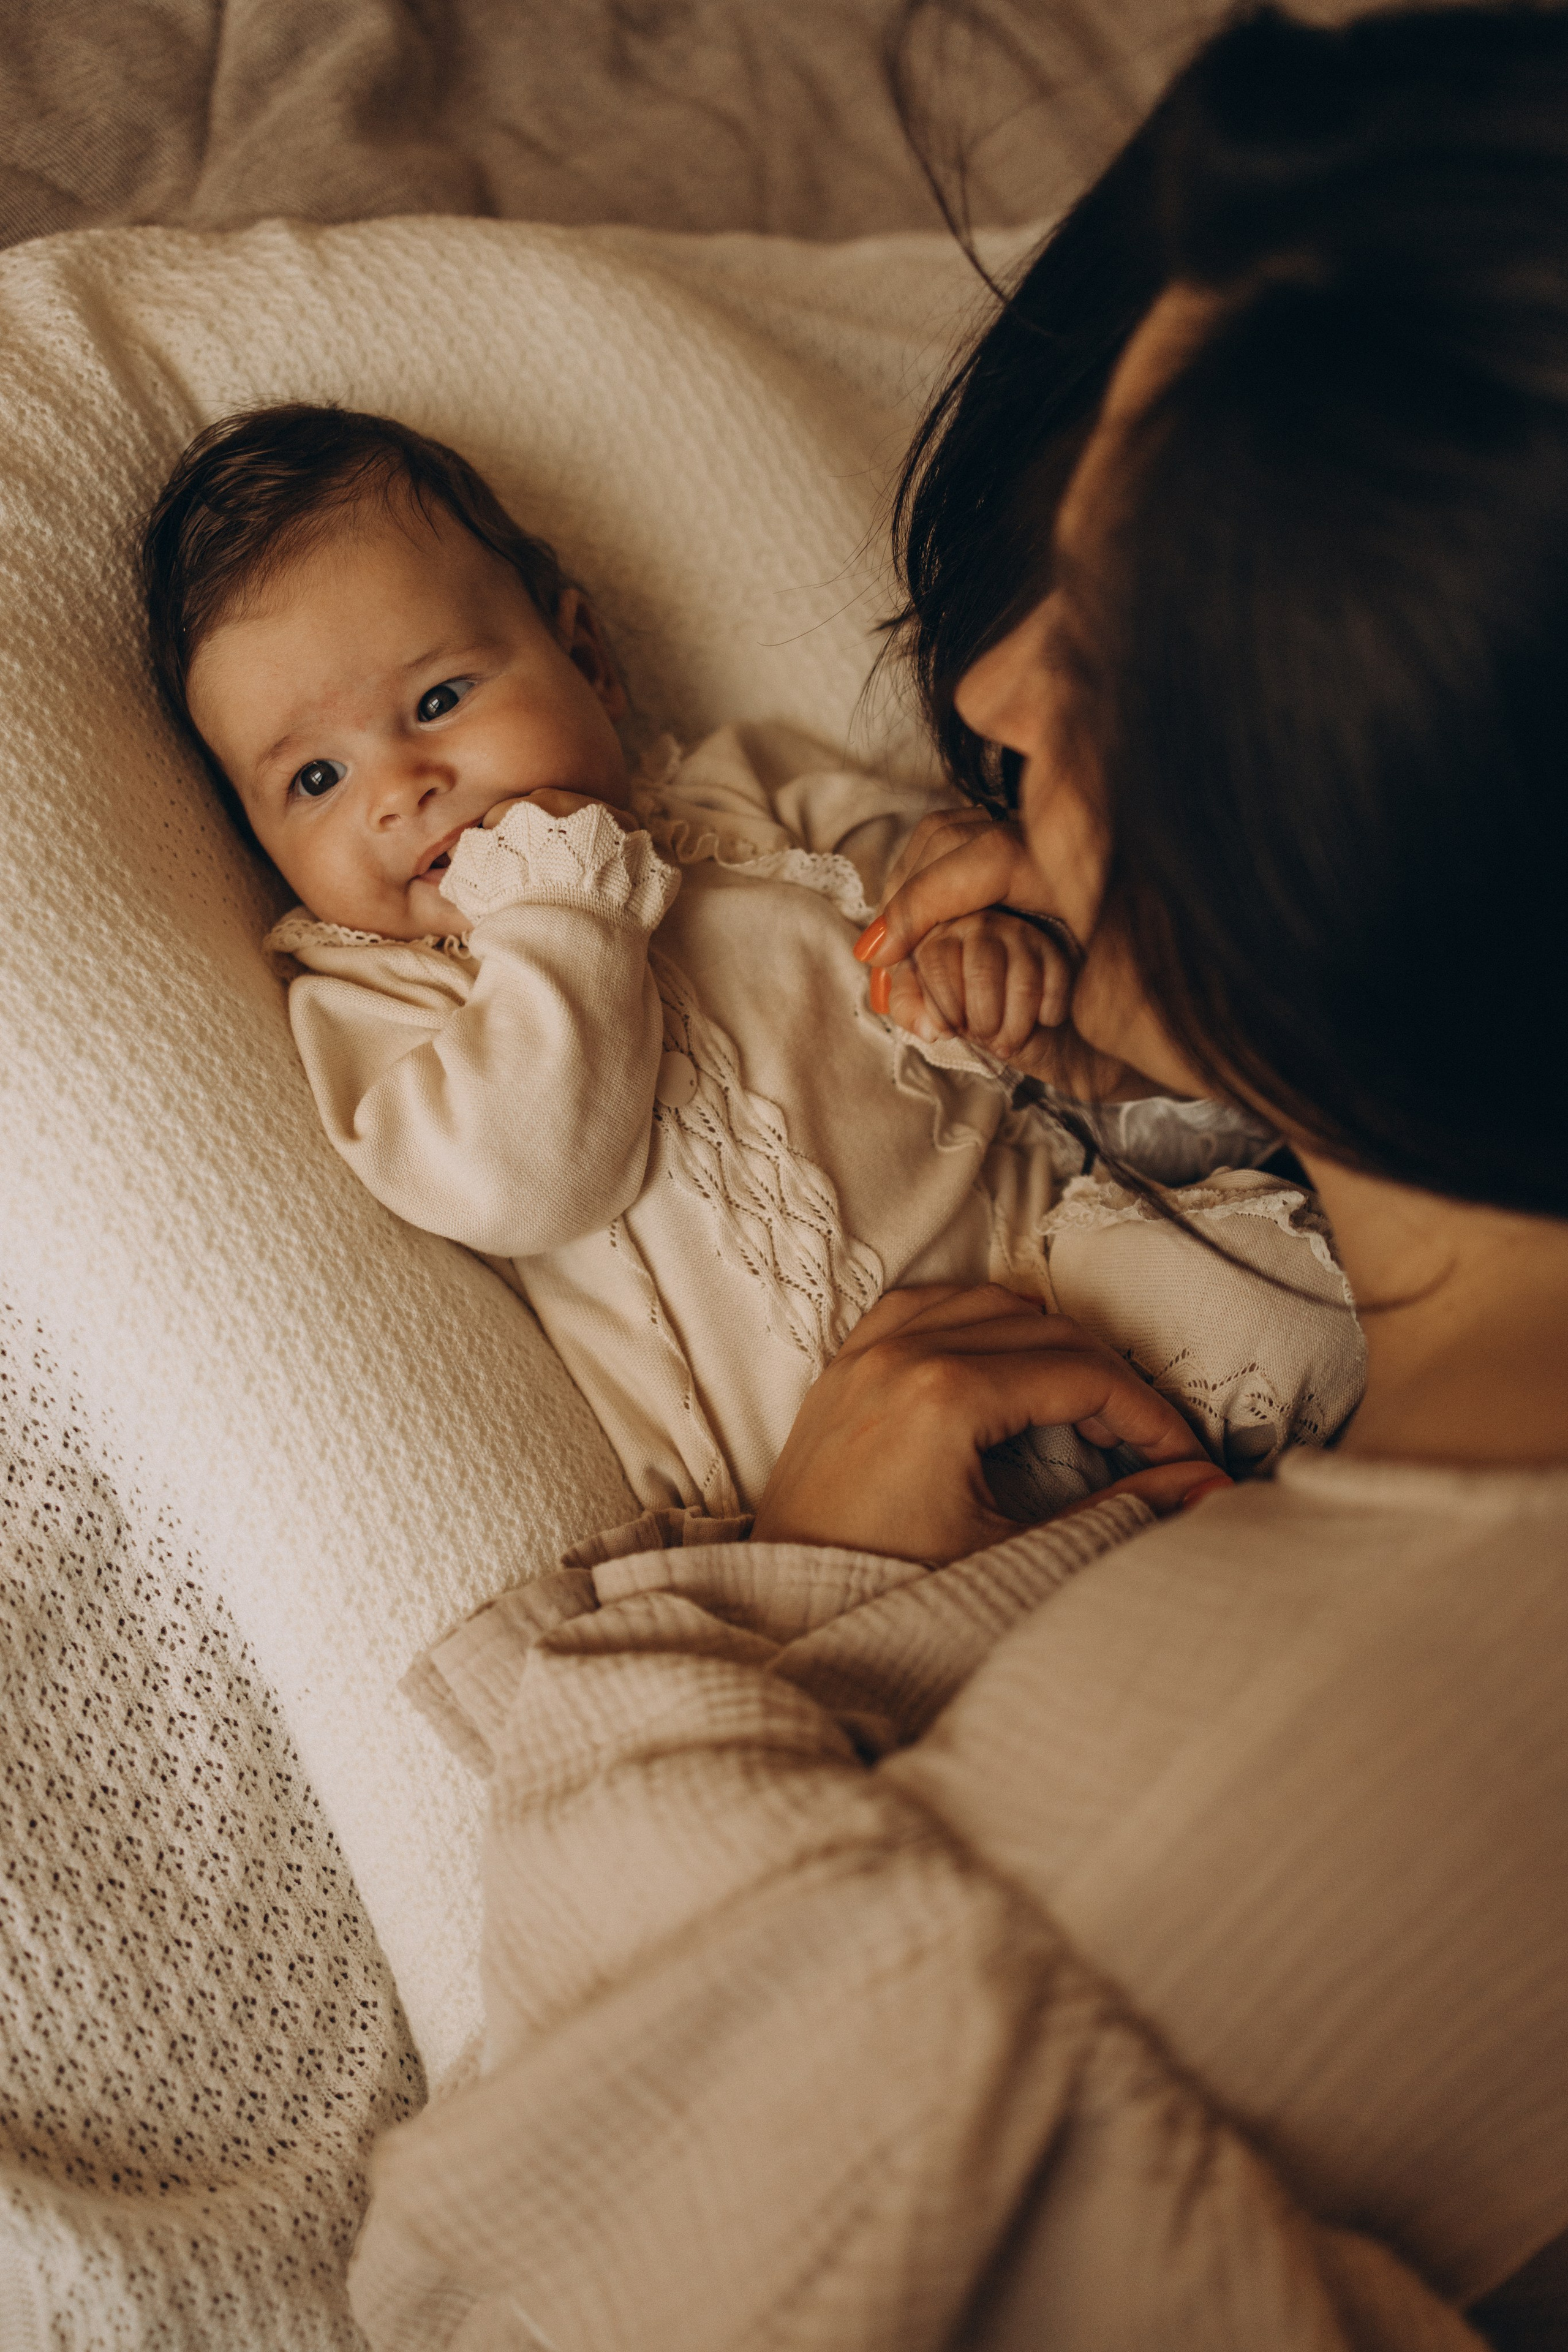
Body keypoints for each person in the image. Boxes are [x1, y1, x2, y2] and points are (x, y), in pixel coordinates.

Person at [344, 6, 1568, 2347]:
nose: (988, 682)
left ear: (1394, 816)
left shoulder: (1120, 1906)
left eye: (1104, 632)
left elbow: (500, 2297)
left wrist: (756, 1617)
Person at [140, 403, 1357, 1524]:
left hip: (1066, 1275)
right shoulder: (368, 990)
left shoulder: (750, 795)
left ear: (591, 660)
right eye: (314, 779)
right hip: (826, 1474)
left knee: (1295, 1313)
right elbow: (526, 1181)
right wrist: (561, 899)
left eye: (441, 696)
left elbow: (953, 900)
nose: (401, 788)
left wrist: (995, 953)